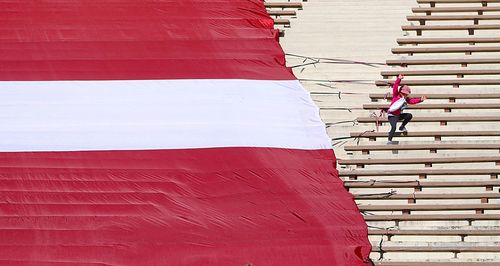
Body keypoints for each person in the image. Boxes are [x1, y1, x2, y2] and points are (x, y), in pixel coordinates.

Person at [387, 74, 426, 144]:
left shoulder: (405, 99)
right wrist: (399, 79)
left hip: (398, 115)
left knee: (409, 115)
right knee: (393, 127)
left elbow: (412, 101)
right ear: (401, 92)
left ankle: (402, 127)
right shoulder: (396, 95)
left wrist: (420, 100)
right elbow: (395, 86)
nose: (405, 95)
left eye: (406, 94)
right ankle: (389, 140)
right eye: (404, 93)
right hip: (392, 116)